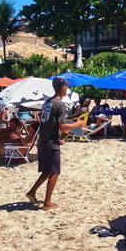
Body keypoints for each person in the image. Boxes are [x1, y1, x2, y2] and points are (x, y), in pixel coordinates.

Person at [25, 77, 85, 210]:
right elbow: (63, 126)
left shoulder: (47, 102)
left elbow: (48, 122)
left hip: (43, 140)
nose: (67, 89)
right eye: (66, 87)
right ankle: (47, 202)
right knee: (55, 172)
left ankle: (31, 192)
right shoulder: (59, 104)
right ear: (63, 87)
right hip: (50, 142)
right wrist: (78, 124)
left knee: (47, 171)